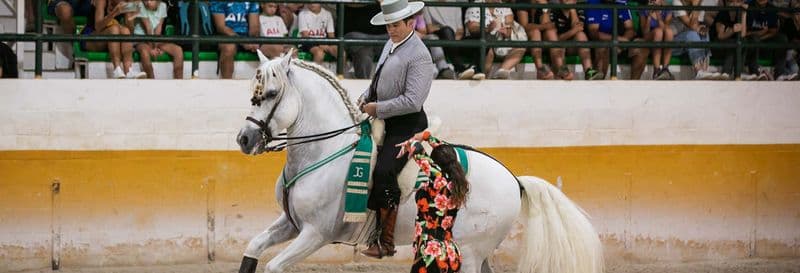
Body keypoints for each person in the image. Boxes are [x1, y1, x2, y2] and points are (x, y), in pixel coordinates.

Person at [357, 0, 434, 259]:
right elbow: (377, 80)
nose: (390, 30)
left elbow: (413, 101)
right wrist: (365, 96)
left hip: (407, 126)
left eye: (395, 25)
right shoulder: (391, 44)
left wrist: (376, 108)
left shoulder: (420, 55)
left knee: (384, 169)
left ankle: (386, 242)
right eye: (388, 25)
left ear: (410, 23)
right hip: (385, 120)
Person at [396, 131, 467, 273]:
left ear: (437, 164)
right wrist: (427, 137)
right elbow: (447, 152)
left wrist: (412, 141)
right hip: (451, 252)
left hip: (431, 252)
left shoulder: (438, 179)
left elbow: (419, 152)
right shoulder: (458, 183)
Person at [585, 0, 649, 80]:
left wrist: (622, 43)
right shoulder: (593, 2)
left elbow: (630, 28)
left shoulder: (621, 2)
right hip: (604, 43)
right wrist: (617, 40)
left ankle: (633, 86)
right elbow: (593, 32)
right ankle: (598, 84)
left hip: (620, 45)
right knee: (602, 46)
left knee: (641, 46)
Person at [86, 0, 146, 79]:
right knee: (114, 29)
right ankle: (117, 69)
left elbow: (130, 32)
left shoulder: (123, 4)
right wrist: (114, 12)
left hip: (111, 39)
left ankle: (128, 70)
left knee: (125, 30)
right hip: (91, 37)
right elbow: (98, 27)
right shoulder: (102, 1)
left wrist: (130, 17)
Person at [466, 0, 521, 80]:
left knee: (520, 46)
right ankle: (481, 79)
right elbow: (472, 28)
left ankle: (501, 73)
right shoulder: (475, 5)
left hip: (500, 40)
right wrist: (488, 29)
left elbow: (510, 25)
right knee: (489, 49)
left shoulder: (505, 7)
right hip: (483, 40)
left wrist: (506, 32)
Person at [129, 0, 184, 79]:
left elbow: (158, 28)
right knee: (145, 52)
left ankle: (179, 82)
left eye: (151, 0)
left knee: (178, 50)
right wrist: (152, 49)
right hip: (141, 39)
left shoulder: (163, 6)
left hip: (155, 38)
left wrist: (155, 46)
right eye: (145, 0)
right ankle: (151, 81)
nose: (148, 2)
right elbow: (148, 28)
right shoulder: (141, 5)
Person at [550, 0, 604, 80]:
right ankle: (564, 72)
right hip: (558, 46)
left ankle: (589, 71)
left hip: (572, 46)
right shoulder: (554, 11)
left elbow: (579, 28)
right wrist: (573, 31)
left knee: (581, 35)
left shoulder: (579, 10)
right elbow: (555, 38)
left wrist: (572, 10)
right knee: (560, 44)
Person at [670, 0, 720, 80]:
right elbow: (692, 26)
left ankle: (704, 69)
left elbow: (696, 26)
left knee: (704, 33)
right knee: (692, 34)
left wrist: (700, 29)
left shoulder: (699, 3)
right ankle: (698, 71)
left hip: (687, 44)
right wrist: (695, 7)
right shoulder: (677, 2)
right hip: (672, 44)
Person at [210, 1, 260, 79]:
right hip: (226, 36)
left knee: (275, 47)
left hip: (246, 37)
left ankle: (277, 86)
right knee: (228, 48)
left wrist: (253, 39)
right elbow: (221, 27)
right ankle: (227, 86)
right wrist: (243, 41)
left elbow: (254, 26)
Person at [743, 0, 790, 80]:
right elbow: (744, 33)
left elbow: (773, 31)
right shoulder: (748, 6)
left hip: (764, 40)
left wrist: (761, 37)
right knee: (754, 39)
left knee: (782, 38)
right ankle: (755, 73)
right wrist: (759, 33)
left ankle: (779, 74)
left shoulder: (771, 8)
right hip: (750, 44)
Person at [423, 1, 468, 80]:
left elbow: (460, 31)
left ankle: (458, 68)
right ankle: (459, 67)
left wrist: (451, 40)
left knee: (448, 32)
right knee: (447, 30)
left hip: (454, 40)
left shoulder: (455, 4)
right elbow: (430, 28)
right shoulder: (428, 4)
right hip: (440, 35)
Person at [515, 0, 556, 79]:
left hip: (539, 42)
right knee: (535, 32)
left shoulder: (544, 2)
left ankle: (560, 68)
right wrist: (542, 27)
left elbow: (547, 24)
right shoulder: (522, 1)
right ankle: (540, 69)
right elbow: (524, 26)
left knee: (551, 32)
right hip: (524, 40)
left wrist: (545, 8)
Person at [640, 0, 674, 80]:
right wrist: (648, 16)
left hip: (663, 39)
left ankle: (665, 69)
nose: (654, 1)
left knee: (669, 32)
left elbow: (665, 28)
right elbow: (645, 33)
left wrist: (658, 13)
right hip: (649, 38)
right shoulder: (644, 9)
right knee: (658, 32)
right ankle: (656, 70)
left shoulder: (667, 9)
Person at [715, 0, 747, 79]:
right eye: (733, 1)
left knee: (742, 42)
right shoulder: (723, 13)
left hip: (733, 49)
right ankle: (728, 73)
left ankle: (737, 74)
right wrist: (732, 30)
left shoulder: (739, 14)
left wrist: (744, 14)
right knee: (733, 43)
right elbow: (720, 36)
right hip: (719, 47)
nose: (736, 4)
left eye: (739, 2)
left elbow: (742, 34)